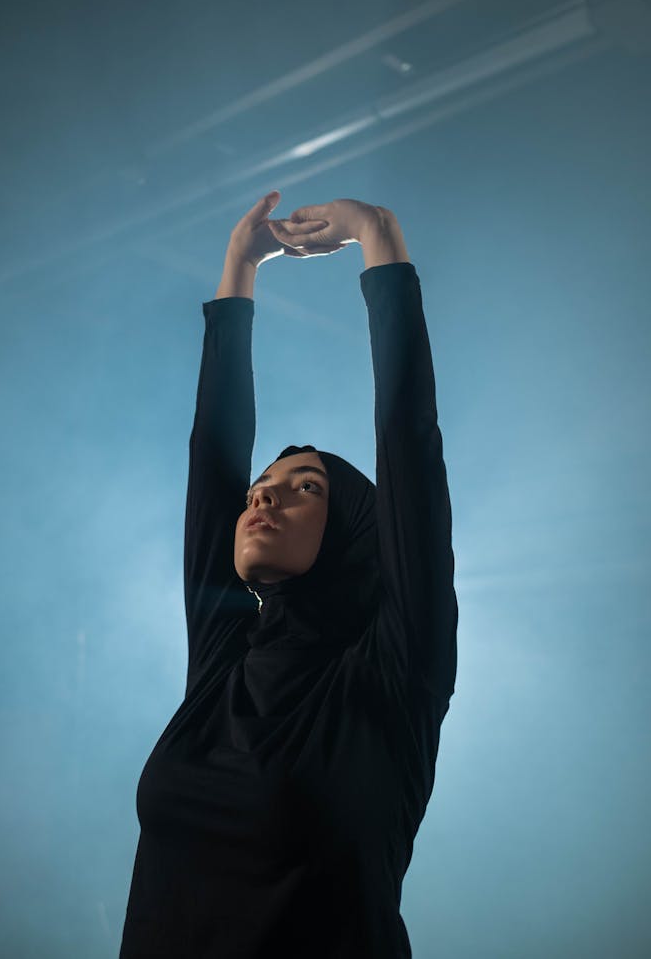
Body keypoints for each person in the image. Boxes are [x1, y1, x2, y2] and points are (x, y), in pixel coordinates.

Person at [119, 193, 458, 958]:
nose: (263, 493)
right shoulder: (222, 663)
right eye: (259, 487)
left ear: (358, 536)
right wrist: (240, 265)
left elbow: (410, 441)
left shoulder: (394, 674)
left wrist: (380, 238)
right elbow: (213, 459)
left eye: (307, 486)